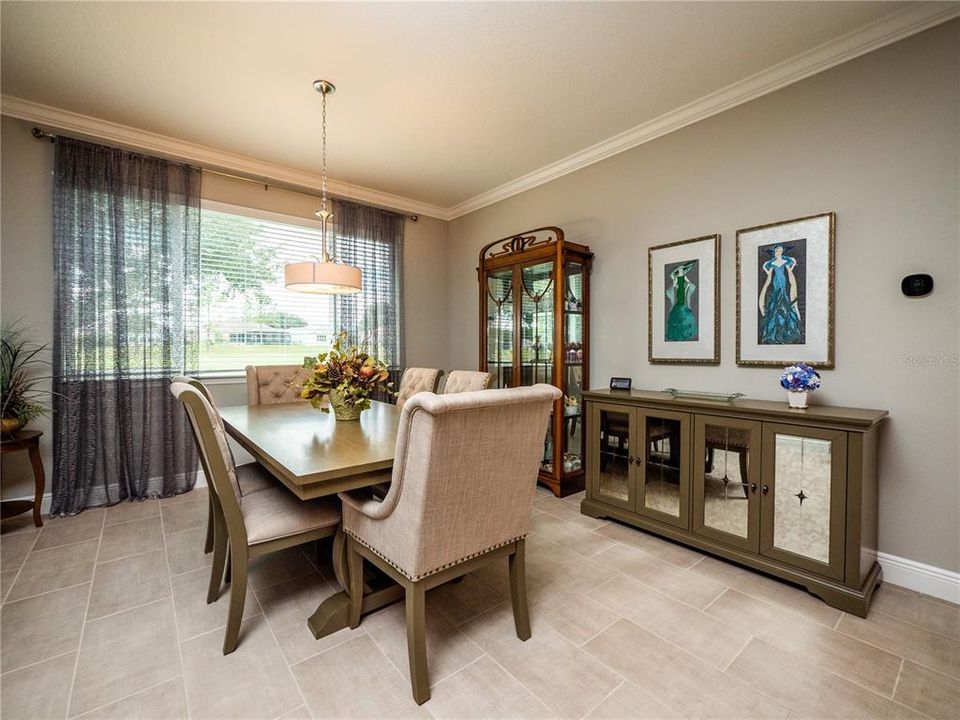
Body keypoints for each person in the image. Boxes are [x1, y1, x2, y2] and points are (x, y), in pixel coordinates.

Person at [758, 245, 804, 344]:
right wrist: (766, 271)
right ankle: (774, 333)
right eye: (777, 250)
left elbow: (790, 268)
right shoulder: (772, 263)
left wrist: (791, 270)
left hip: (783, 280)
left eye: (781, 250)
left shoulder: (785, 261)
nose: (779, 252)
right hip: (775, 282)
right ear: (775, 251)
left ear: (782, 251)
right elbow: (769, 273)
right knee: (775, 301)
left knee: (784, 299)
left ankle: (787, 331)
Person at [665, 261, 698, 341]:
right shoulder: (676, 279)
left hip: (683, 302)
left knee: (685, 318)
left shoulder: (684, 279)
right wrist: (675, 282)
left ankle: (685, 335)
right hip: (678, 303)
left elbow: (689, 283)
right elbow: (674, 282)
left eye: (682, 271)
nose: (681, 272)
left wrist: (684, 279)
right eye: (680, 271)